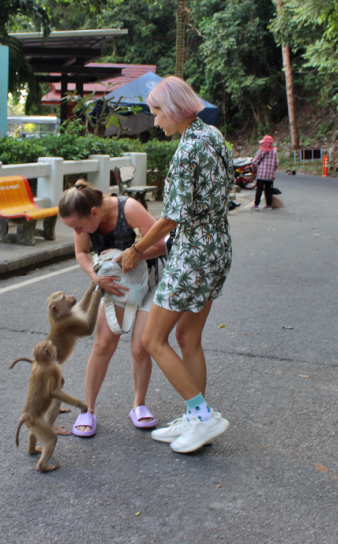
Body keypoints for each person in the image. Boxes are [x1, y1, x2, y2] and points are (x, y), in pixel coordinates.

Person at [119, 75, 233, 454]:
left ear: (172, 110)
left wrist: (137, 248)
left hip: (193, 255)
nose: (154, 122)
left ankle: (202, 415)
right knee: (188, 339)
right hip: (217, 248)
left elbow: (170, 218)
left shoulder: (187, 150)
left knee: (153, 338)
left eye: (155, 113)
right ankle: (194, 417)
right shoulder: (213, 136)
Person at [58, 181, 167, 437]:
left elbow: (163, 244)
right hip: (115, 284)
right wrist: (96, 278)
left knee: (141, 346)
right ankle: (88, 409)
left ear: (94, 213)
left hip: (149, 280)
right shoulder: (84, 218)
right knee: (103, 344)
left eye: (78, 227)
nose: (77, 231)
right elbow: (82, 252)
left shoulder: (128, 208)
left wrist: (133, 254)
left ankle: (139, 404)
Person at [251, 135, 279, 211]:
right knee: (268, 190)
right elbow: (276, 164)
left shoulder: (261, 151)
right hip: (270, 175)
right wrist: (273, 170)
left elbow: (254, 162)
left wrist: (254, 168)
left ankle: (256, 205)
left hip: (261, 174)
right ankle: (269, 205)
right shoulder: (274, 152)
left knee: (259, 189)